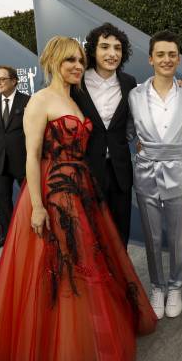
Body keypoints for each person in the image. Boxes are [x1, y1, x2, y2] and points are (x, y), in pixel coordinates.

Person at [0, 36, 157, 361]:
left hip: (83, 188)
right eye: (69, 60)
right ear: (53, 62)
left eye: (79, 61)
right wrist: (38, 206)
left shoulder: (77, 98)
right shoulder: (40, 100)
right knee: (59, 264)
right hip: (53, 191)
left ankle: (90, 330)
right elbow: (31, 157)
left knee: (87, 259)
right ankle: (62, 344)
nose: (76, 66)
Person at [128, 30, 182, 319]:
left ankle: (176, 286)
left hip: (178, 169)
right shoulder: (135, 94)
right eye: (161, 54)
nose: (167, 59)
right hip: (145, 170)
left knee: (178, 236)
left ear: (178, 59)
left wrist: (174, 149)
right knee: (152, 236)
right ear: (151, 58)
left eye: (172, 54)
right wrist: (142, 147)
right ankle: (157, 286)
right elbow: (129, 130)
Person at [71, 22, 136, 247]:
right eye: (105, 47)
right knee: (92, 235)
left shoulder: (129, 83)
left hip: (120, 170)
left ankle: (122, 280)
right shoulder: (77, 82)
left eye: (117, 48)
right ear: (93, 51)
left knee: (120, 232)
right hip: (88, 170)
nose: (112, 53)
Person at [0, 65, 30, 249]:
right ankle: (7, 238)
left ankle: (32, 238)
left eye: (2, 79)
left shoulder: (28, 101)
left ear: (14, 80)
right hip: (1, 161)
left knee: (30, 202)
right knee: (2, 201)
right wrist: (4, 143)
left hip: (24, 162)